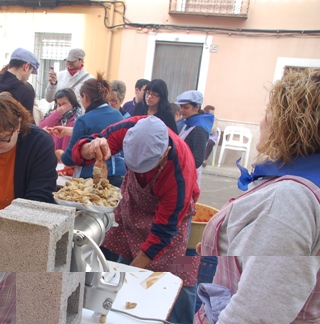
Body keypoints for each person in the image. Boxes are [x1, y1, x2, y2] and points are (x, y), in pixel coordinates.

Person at [194, 68, 320, 323]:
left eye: (267, 113)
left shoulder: (291, 198)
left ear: (290, 124)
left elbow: (256, 313)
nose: (261, 121)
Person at [72, 115, 201, 324]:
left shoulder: (180, 174)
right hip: (133, 205)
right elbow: (78, 155)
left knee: (179, 279)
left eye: (148, 168)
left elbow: (162, 234)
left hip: (172, 224)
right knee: (124, 266)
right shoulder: (131, 129)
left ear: (165, 153)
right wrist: (92, 147)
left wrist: (131, 273)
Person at [55, 73, 126, 187]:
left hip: (90, 179)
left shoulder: (83, 120)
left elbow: (70, 158)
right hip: (118, 175)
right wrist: (68, 130)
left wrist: (59, 154)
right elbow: (100, 131)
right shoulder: (118, 115)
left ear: (85, 97)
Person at [0, 92, 57, 210]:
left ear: (18, 125)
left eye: (2, 139)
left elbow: (39, 196)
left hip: (20, 220)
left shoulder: (39, 143)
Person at [175, 90, 214, 187]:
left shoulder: (199, 128)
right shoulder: (187, 122)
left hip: (187, 176)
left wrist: (179, 169)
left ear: (197, 107)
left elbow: (197, 159)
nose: (182, 110)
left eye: (186, 107)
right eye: (181, 107)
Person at [0, 48, 39, 118]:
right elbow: (27, 125)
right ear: (26, 67)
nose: (28, 77)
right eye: (31, 72)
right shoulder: (26, 91)